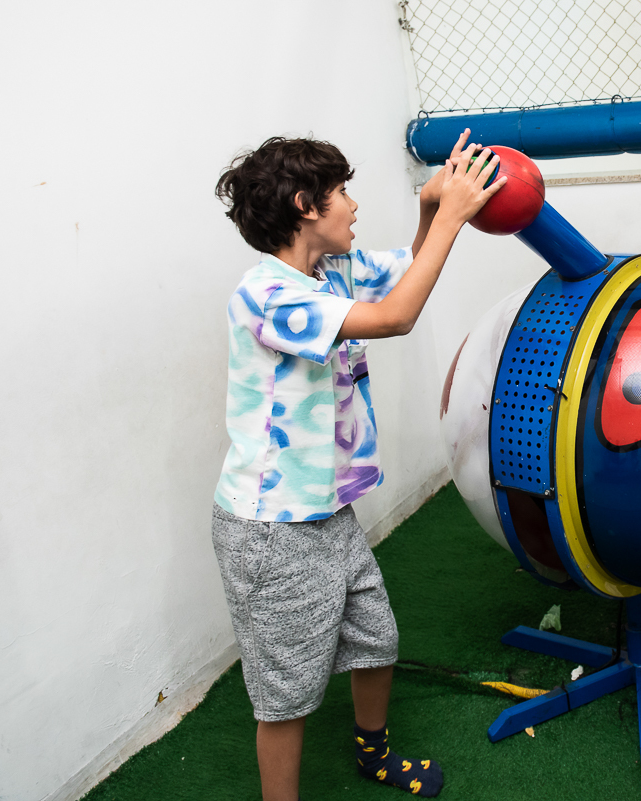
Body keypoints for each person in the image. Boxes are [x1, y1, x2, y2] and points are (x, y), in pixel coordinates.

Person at [211, 130, 501, 799]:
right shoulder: (268, 295)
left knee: (376, 638)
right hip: (272, 528)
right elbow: (398, 316)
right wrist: (455, 216)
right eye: (342, 191)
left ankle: (373, 752)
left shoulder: (330, 271)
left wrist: (432, 209)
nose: (353, 204)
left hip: (327, 511)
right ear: (306, 204)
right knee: (285, 694)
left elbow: (405, 272)